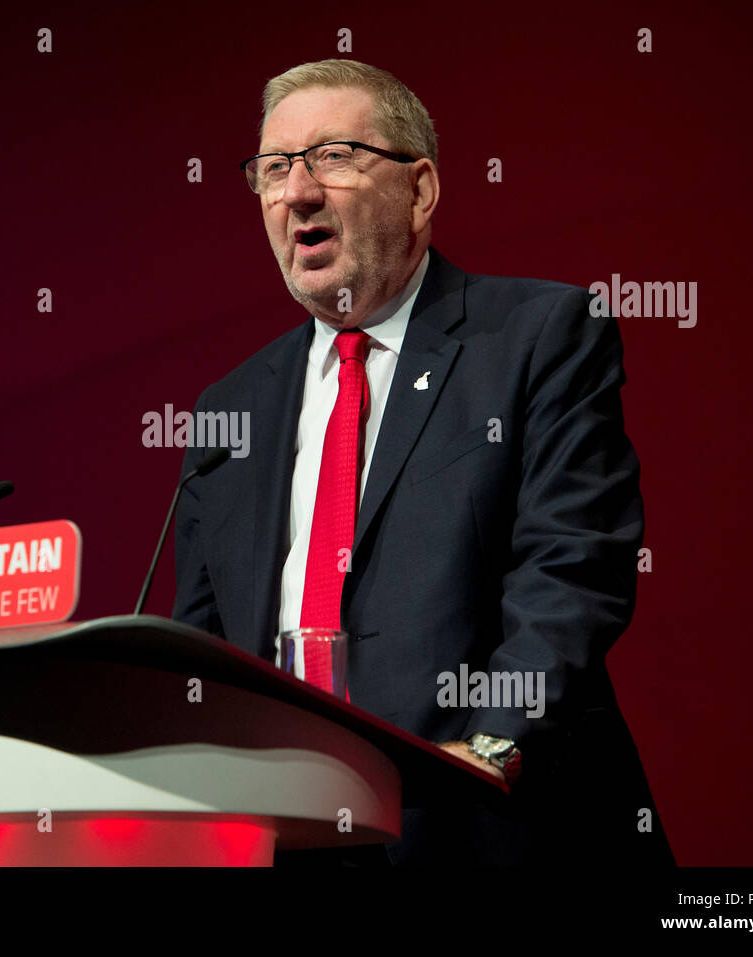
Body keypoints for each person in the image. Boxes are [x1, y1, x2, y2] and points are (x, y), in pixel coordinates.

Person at [171, 58, 673, 866]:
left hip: (497, 829)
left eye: (333, 157)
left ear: (422, 189)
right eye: (273, 168)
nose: (296, 192)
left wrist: (493, 748)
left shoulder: (538, 336)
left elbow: (572, 570)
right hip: (299, 841)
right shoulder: (229, 408)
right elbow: (204, 651)